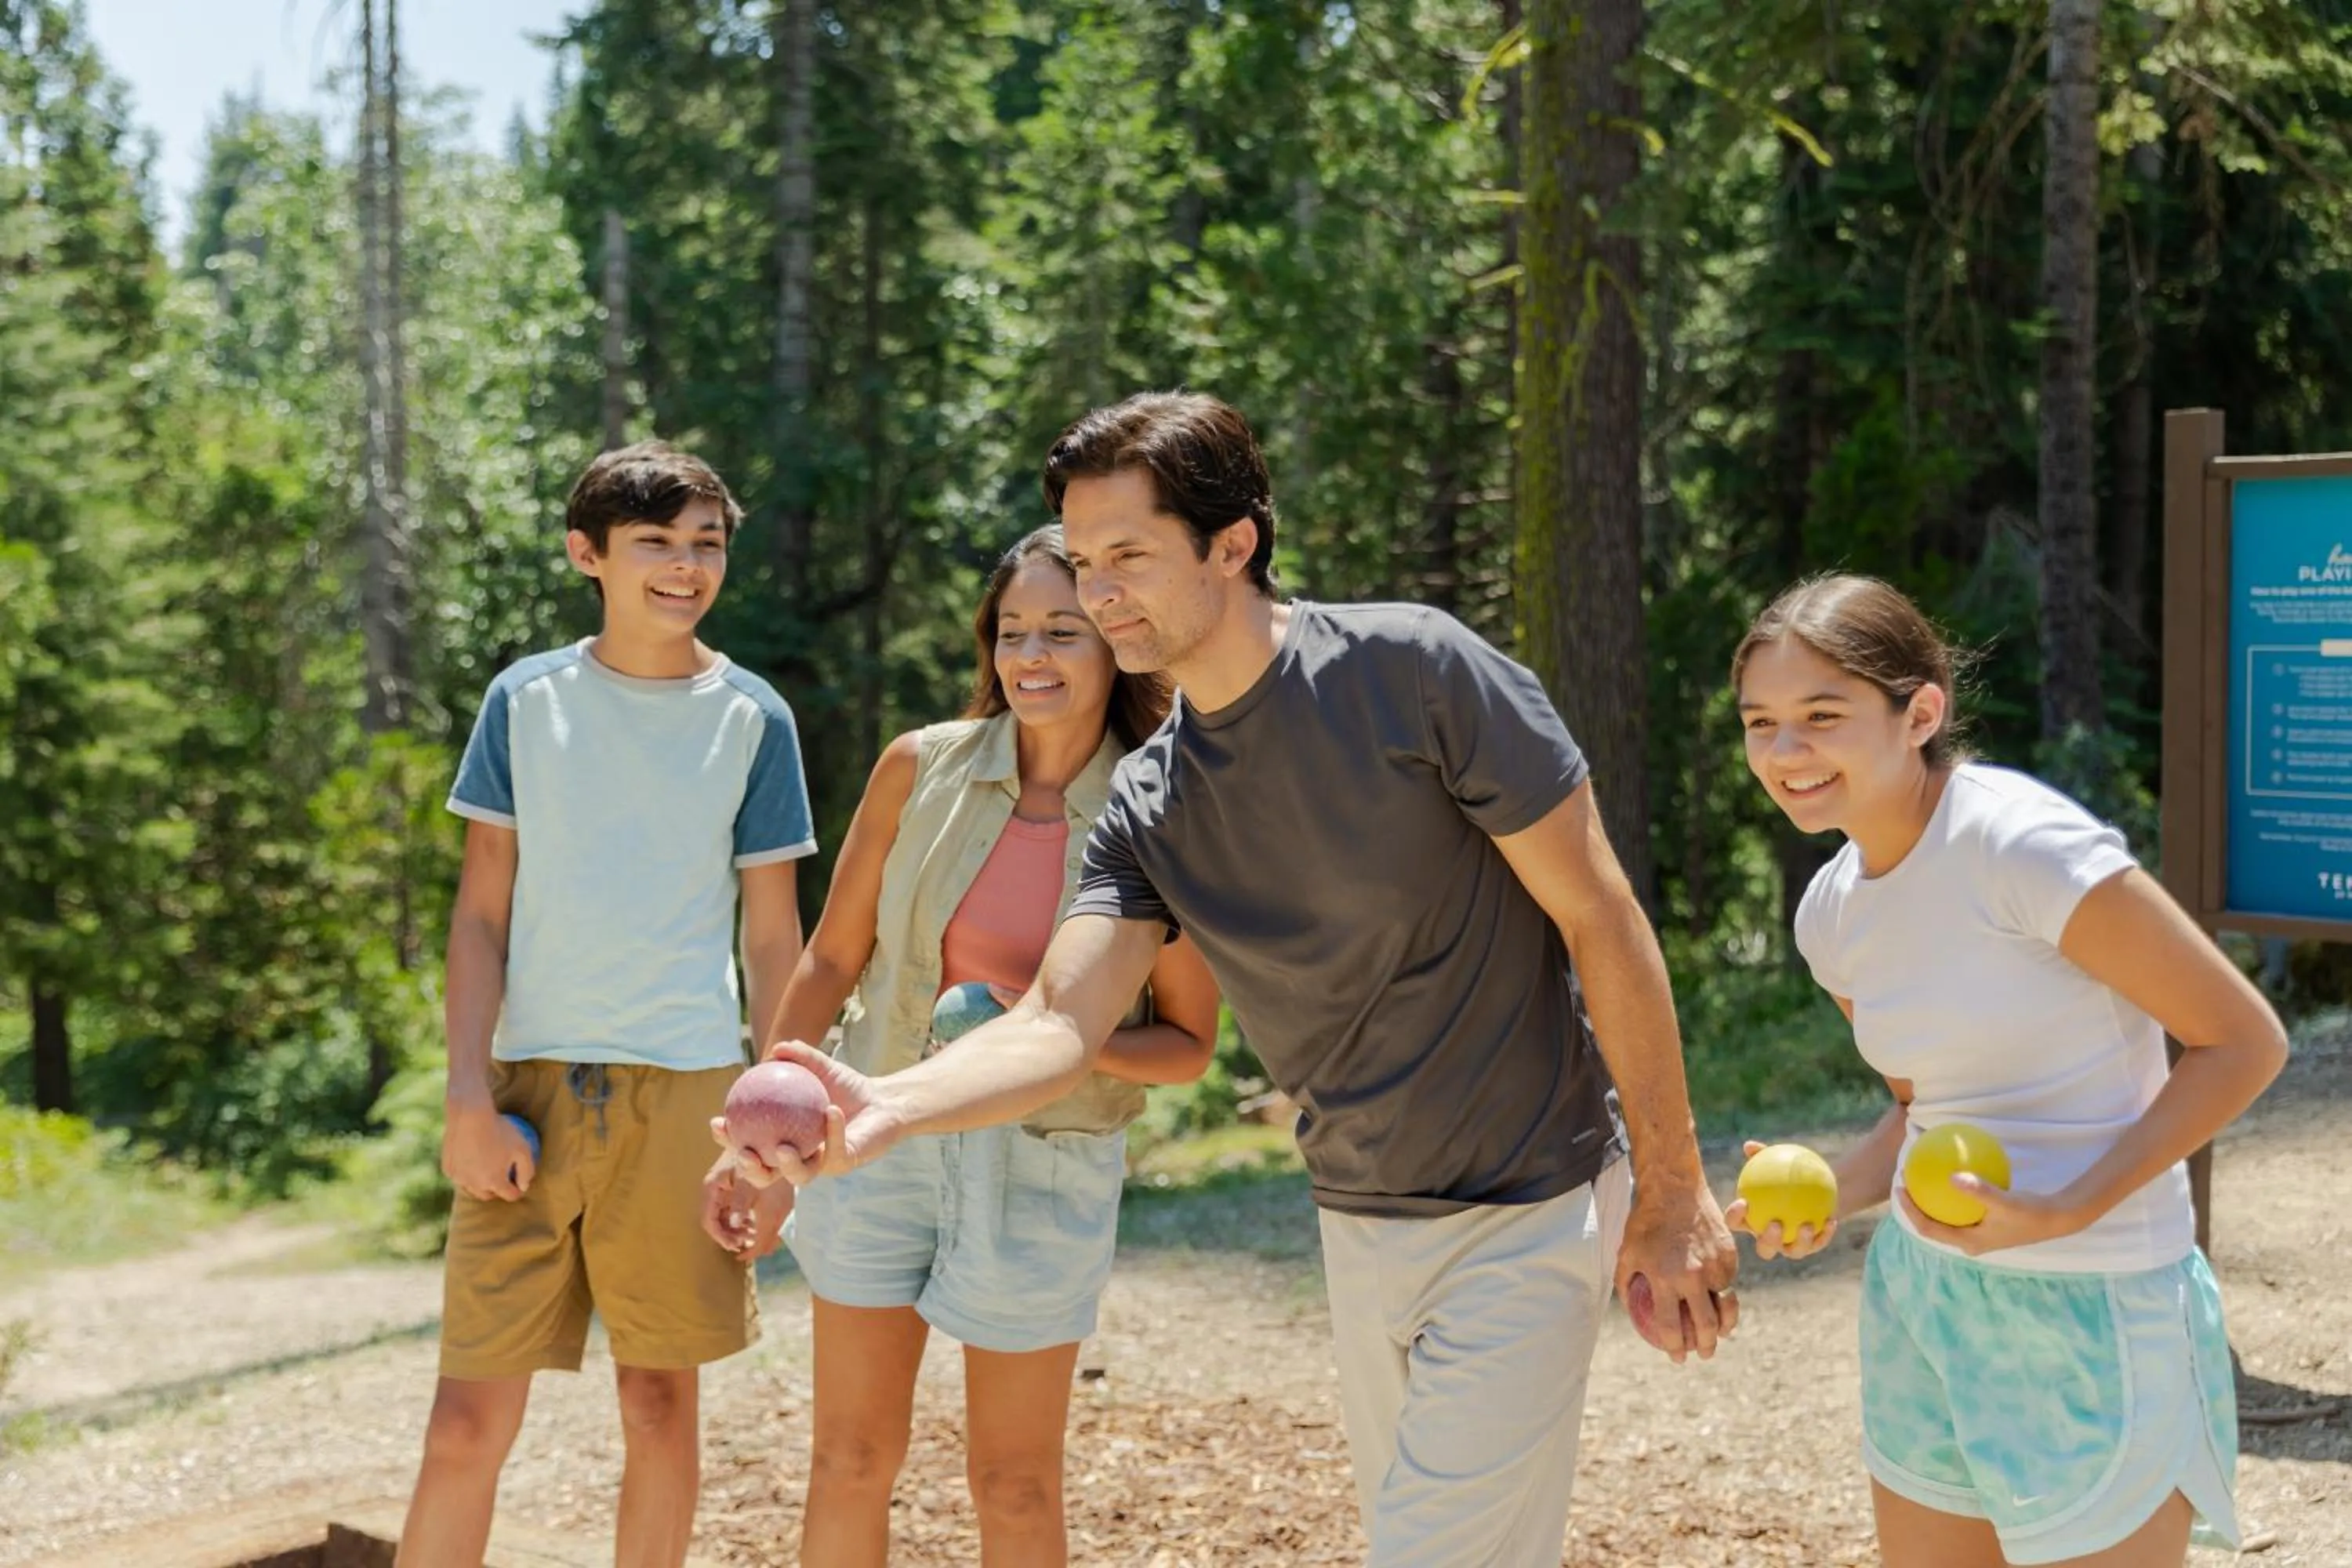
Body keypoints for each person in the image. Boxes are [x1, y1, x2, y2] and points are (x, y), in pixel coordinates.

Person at [732, 392, 1737, 1567]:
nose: (1099, 593)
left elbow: (1598, 915)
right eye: (1084, 560)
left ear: (1233, 545)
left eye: (1127, 558)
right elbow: (1060, 1019)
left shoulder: (1414, 671)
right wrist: (884, 1109)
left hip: (1534, 1201)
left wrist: (1672, 1187)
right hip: (1360, 1215)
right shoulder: (1154, 803)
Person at [1725, 573, 2285, 1568]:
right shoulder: (1831, 912)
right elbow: (1924, 1108)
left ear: (1920, 712)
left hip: (2098, 1301)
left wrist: (2070, 1205)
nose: (1785, 751)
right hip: (1925, 1297)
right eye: (1761, 722)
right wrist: (1832, 1192)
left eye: (1822, 715)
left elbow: (2242, 1040)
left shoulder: (2020, 844)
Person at [702, 524, 1221, 1567]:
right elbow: (830, 960)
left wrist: (1042, 1035)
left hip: (1045, 1162)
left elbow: (1186, 1046)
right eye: (1013, 630)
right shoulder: (918, 769)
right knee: (848, 1456)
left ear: (1119, 640)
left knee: (1015, 1486)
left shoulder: (1169, 812)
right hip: (872, 1137)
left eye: (1063, 631)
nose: (1031, 656)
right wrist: (755, 1146)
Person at [397, 441, 816, 1568]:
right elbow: (481, 913)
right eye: (654, 545)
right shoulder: (525, 701)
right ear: (589, 554)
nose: (684, 568)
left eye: (705, 545)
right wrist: (465, 1098)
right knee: (465, 1422)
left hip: (690, 1102)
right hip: (527, 1089)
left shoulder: (752, 717)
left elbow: (774, 937)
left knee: (658, 1410)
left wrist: (778, 1147)